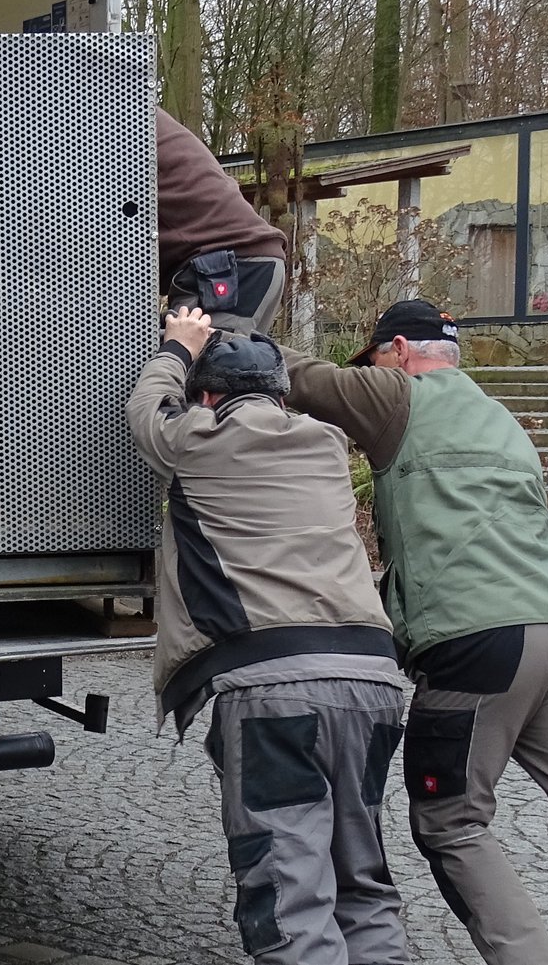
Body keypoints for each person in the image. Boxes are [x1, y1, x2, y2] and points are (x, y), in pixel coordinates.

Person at [281, 298, 548, 965]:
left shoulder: (397, 394)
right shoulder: (501, 419)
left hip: (478, 644)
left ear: (397, 350)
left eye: (374, 361)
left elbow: (300, 379)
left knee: (450, 819)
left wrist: (205, 336)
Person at [126, 308, 410, 965]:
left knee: (288, 891)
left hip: (273, 688)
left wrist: (176, 345)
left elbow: (145, 408)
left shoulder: (198, 434)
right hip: (371, 680)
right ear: (283, 395)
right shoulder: (327, 444)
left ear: (207, 397)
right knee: (362, 883)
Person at [157, 107, 288, 334]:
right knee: (236, 362)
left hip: (229, 265)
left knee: (197, 359)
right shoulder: (132, 114)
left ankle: (365, 372)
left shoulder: (105, 116)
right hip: (244, 262)